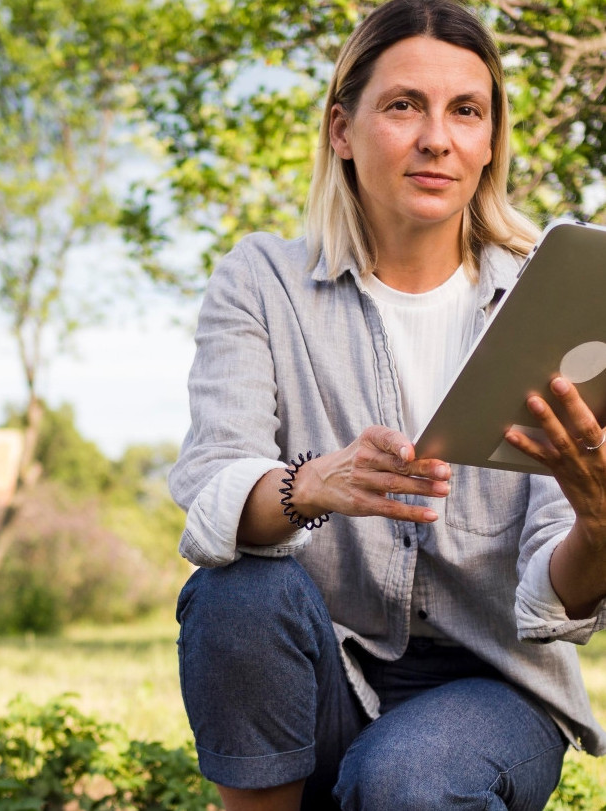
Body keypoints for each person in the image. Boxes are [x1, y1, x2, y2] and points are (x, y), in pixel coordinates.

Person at [168, 0, 606, 809]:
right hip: (320, 663)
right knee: (234, 590)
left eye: (465, 112)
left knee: (408, 779)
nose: (436, 138)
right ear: (341, 129)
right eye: (404, 105)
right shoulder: (261, 282)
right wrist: (308, 486)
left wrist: (598, 523)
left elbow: (558, 601)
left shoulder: (551, 298)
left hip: (494, 687)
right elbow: (210, 488)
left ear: (487, 142)